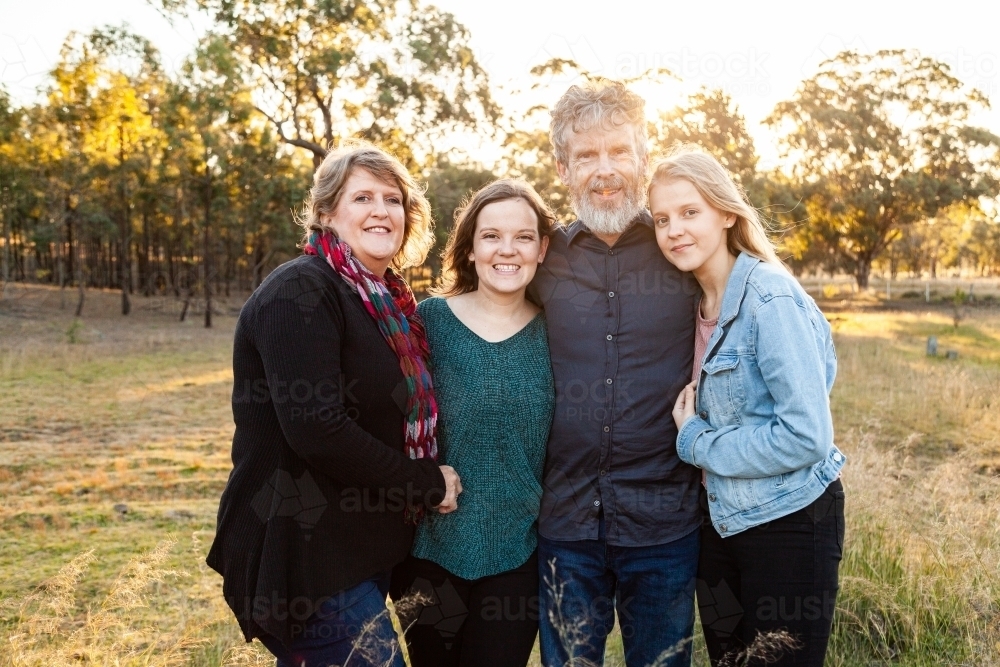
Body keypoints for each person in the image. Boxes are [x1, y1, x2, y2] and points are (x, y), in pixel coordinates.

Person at [206, 141, 463, 667]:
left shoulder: (385, 300)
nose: (381, 211)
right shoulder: (300, 289)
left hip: (359, 548)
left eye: (393, 200)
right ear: (326, 213)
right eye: (362, 197)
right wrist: (427, 482)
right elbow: (317, 428)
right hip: (304, 554)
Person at [528, 80, 702, 667]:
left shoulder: (681, 248)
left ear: (643, 157)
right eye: (587, 155)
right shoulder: (538, 258)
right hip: (565, 526)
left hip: (665, 525)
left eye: (619, 151)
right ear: (563, 168)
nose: (605, 170)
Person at [649, 147, 845, 667]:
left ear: (727, 213)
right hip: (721, 526)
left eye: (690, 212)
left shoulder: (769, 299)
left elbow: (807, 436)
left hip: (789, 524)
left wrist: (695, 441)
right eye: (663, 219)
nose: (674, 230)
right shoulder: (691, 304)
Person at [390, 179, 556, 667]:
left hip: (519, 553)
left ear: (542, 248)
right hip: (428, 554)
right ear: (470, 248)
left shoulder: (559, 331)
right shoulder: (429, 322)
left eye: (524, 237)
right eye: (491, 236)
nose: (508, 249)